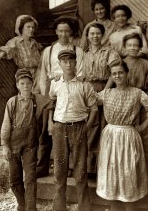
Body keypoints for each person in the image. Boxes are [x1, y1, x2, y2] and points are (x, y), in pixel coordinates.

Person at [96, 61, 148, 211]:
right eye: (114, 73)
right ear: (111, 76)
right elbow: (88, 100)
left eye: (120, 72)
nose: (117, 75)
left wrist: (142, 126)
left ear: (126, 73)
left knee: (128, 172)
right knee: (111, 173)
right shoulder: (107, 93)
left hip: (129, 136)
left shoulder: (137, 93)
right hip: (110, 136)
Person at [49, 49, 98, 211]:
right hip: (59, 128)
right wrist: (51, 122)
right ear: (60, 64)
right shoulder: (55, 82)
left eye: (71, 61)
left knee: (80, 170)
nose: (68, 64)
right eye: (64, 61)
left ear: (76, 62)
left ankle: (84, 207)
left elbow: (94, 109)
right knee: (59, 170)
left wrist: (86, 128)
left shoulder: (84, 84)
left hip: (78, 127)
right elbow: (52, 102)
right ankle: (59, 207)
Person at [35, 17, 84, 178]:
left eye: (67, 30)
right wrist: (45, 96)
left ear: (71, 32)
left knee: (69, 127)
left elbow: (82, 73)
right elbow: (43, 74)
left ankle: (69, 167)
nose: (63, 34)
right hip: (51, 91)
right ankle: (42, 166)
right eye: (60, 30)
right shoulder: (48, 51)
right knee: (46, 131)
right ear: (56, 31)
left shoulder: (78, 51)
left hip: (70, 89)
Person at [0, 69, 52, 211]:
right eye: (22, 84)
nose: (25, 86)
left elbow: (51, 103)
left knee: (30, 178)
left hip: (30, 145)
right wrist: (5, 145)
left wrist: (50, 122)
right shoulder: (12, 102)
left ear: (32, 84)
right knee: (15, 180)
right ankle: (22, 204)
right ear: (17, 85)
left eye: (28, 83)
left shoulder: (38, 99)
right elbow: (6, 124)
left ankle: (31, 208)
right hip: (13, 144)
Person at [81, 22, 120, 174]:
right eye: (92, 33)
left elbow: (114, 72)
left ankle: (103, 169)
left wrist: (105, 91)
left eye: (98, 33)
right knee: (89, 127)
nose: (95, 36)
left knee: (103, 127)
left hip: (106, 88)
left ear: (102, 35)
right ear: (88, 36)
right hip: (87, 90)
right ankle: (89, 168)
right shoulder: (84, 53)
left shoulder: (110, 52)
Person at [121, 33, 148, 179]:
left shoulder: (146, 64)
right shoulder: (120, 62)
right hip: (123, 106)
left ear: (140, 47)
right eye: (130, 45)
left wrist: (139, 99)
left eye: (136, 45)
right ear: (124, 47)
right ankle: (128, 174)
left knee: (146, 137)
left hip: (141, 104)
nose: (133, 48)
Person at [0, 15, 42, 86]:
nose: (31, 29)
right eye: (28, 27)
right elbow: (3, 52)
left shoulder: (35, 43)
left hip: (38, 75)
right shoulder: (15, 41)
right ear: (21, 27)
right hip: (24, 75)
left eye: (33, 27)